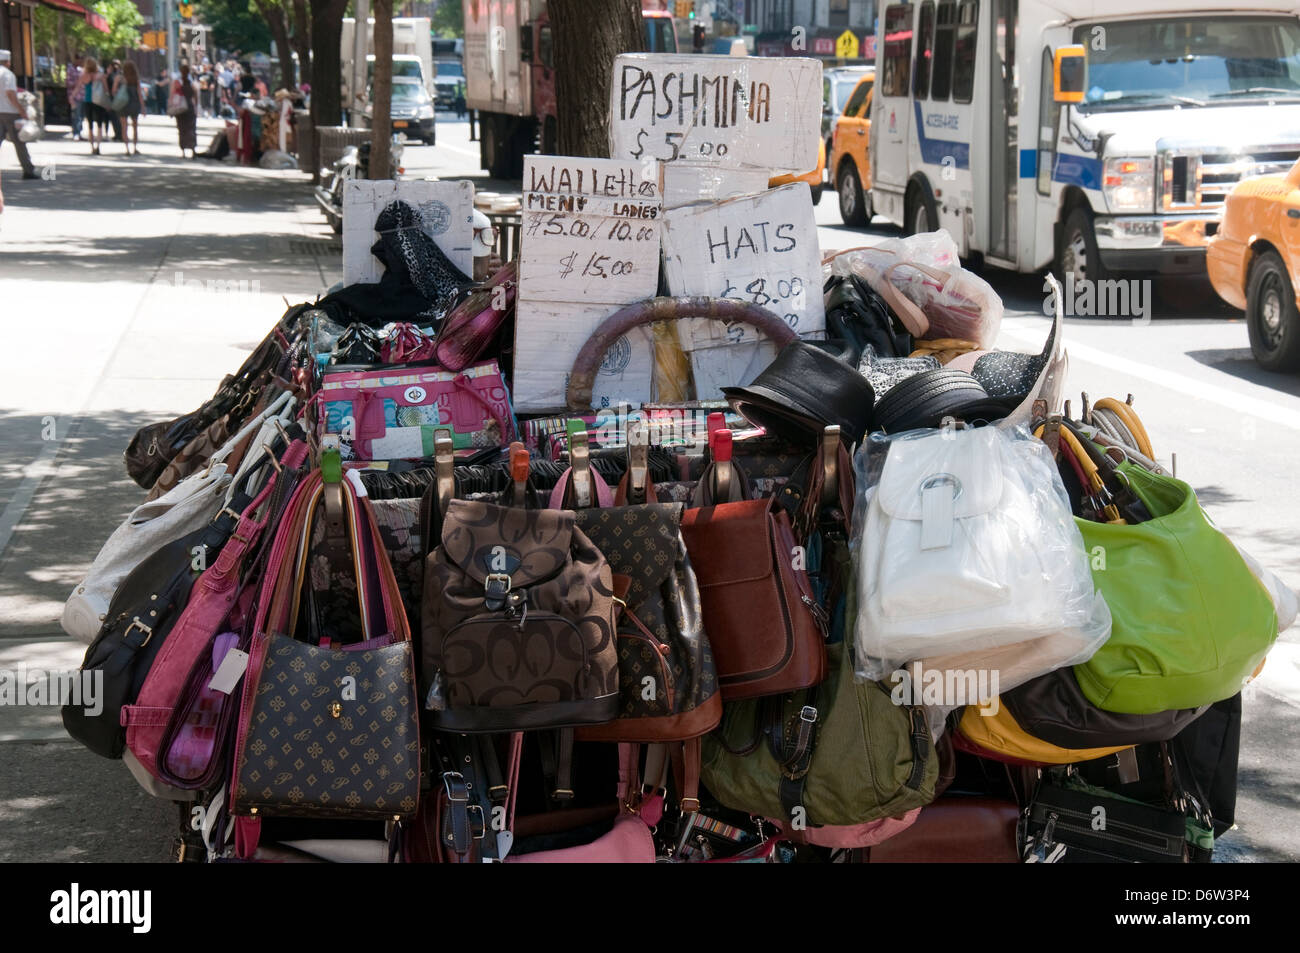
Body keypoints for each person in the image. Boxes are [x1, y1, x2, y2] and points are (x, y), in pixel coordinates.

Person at [0, 49, 39, 179]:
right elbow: (10, 94)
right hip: (10, 112)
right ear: (7, 62)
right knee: (19, 141)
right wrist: (21, 110)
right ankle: (28, 170)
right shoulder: (8, 75)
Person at [114, 61, 142, 155]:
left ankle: (127, 149)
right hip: (134, 104)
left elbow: (113, 91)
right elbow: (140, 94)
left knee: (124, 127)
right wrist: (143, 107)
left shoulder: (119, 78)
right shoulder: (136, 79)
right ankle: (135, 147)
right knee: (135, 127)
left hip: (123, 105)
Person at [172, 63, 199, 158]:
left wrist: (171, 107)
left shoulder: (177, 82)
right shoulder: (192, 83)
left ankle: (183, 151)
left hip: (180, 109)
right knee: (191, 129)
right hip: (190, 107)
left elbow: (173, 95)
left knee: (182, 129)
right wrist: (195, 106)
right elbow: (196, 96)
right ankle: (193, 149)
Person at [66, 58, 83, 140]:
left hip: (82, 95)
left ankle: (79, 132)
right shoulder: (70, 70)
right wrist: (77, 83)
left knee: (81, 116)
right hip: (74, 96)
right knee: (76, 114)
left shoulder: (80, 70)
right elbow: (68, 83)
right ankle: (76, 132)